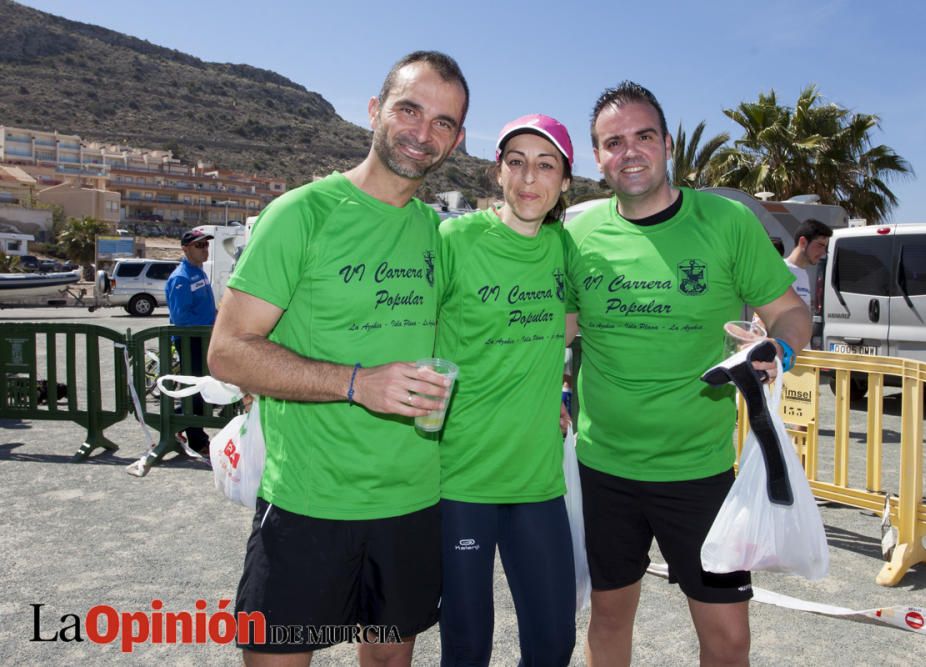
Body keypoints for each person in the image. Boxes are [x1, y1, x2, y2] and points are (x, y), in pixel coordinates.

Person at [206, 51, 469, 666]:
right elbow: (227, 352)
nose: (422, 132)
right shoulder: (302, 213)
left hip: (411, 503)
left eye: (443, 122)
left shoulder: (435, 231)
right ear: (375, 111)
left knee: (387, 660)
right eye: (409, 109)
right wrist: (356, 383)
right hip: (308, 502)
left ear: (456, 141)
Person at [563, 81, 811, 666]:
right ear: (597, 157)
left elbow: (791, 312)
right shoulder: (577, 234)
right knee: (608, 622)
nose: (630, 152)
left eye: (643, 136)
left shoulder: (725, 222)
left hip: (699, 474)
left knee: (728, 641)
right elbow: (558, 333)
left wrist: (780, 349)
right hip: (604, 472)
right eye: (612, 142)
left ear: (668, 143)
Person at [435, 114, 577, 666]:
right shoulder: (455, 239)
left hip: (537, 482)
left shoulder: (563, 248)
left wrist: (557, 388)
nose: (528, 178)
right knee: (467, 646)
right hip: (462, 479)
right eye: (515, 162)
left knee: (552, 642)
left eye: (545, 166)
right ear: (498, 172)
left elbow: (567, 327)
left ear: (565, 182)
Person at [165, 228, 217, 455]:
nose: (205, 249)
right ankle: (196, 438)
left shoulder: (199, 272)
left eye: (206, 245)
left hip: (204, 338)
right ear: (185, 249)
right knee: (196, 389)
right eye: (200, 246)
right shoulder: (181, 277)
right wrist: (208, 324)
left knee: (204, 387)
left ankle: (175, 419)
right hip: (191, 341)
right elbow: (180, 318)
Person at [785, 218, 833, 309]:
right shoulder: (780, 270)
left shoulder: (803, 274)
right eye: (820, 245)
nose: (823, 252)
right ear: (803, 242)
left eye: (825, 247)